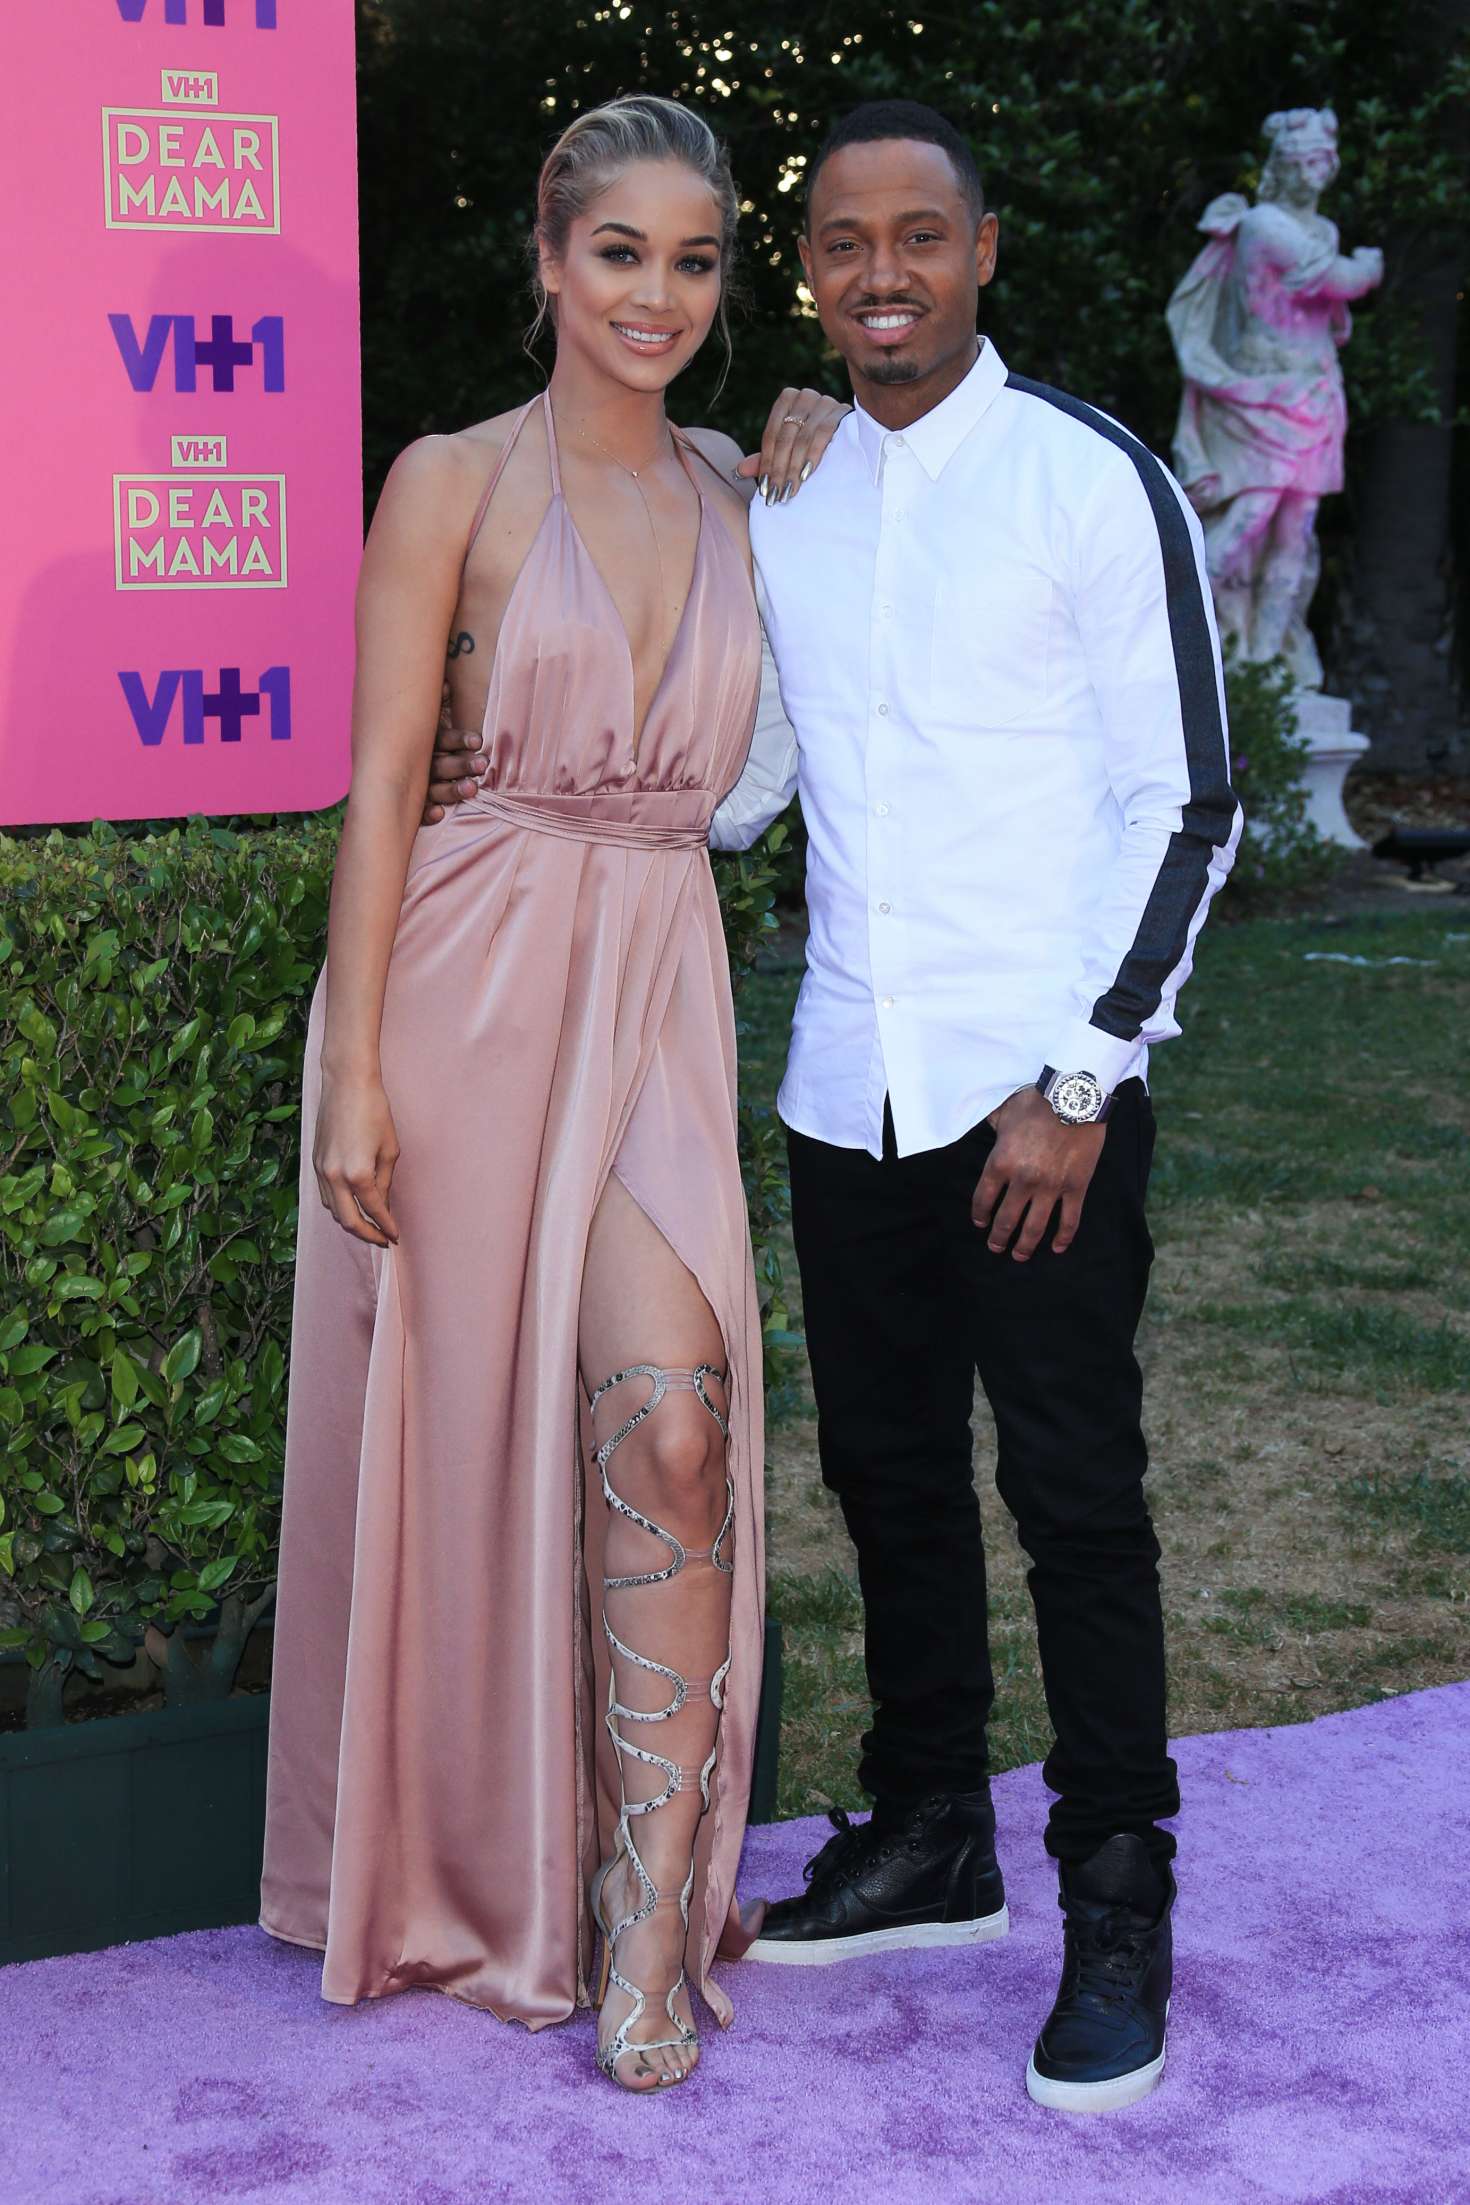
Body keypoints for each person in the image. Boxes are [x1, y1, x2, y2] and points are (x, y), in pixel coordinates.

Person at [428, 99, 1242, 2115]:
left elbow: (1189, 802)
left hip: (1039, 1095)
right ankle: (929, 1826)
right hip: (844, 1083)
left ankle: (1116, 1897)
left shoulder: (1090, 477)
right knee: (885, 1476)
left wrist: (1083, 1072)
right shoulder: (782, 496)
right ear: (809, 274)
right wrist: (516, 775)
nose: (884, 272)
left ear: (983, 253)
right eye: (845, 242)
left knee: (1074, 1497)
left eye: (920, 236)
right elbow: (747, 779)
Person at [259, 94, 844, 2095]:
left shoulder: (752, 486)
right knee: (471, 1438)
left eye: (692, 260)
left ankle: (646, 1904)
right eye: (618, 252)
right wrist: (353, 1069)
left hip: (657, 978)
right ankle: (480, 1875)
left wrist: (825, 439)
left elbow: (788, 749)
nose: (655, 296)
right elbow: (378, 786)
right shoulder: (450, 479)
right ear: (547, 254)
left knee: (674, 1425)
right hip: (469, 986)